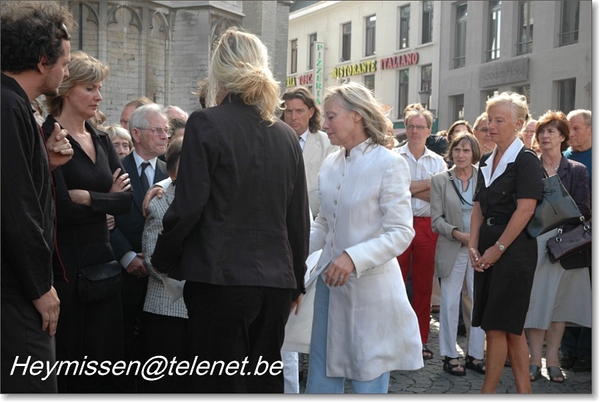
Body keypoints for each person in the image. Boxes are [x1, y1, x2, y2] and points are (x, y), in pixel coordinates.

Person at [150, 27, 310, 393]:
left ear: (220, 68)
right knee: (261, 386)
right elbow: (297, 218)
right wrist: (296, 280)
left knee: (218, 386)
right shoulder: (285, 134)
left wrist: (163, 259)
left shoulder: (206, 122)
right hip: (274, 283)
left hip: (219, 279)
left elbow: (188, 206)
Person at [305, 81, 422, 394]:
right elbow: (324, 224)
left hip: (372, 293)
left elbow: (401, 232)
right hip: (329, 288)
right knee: (321, 376)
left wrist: (353, 258)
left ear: (357, 116)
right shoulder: (330, 164)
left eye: (331, 116)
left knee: (367, 378)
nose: (324, 124)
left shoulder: (390, 164)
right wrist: (293, 255)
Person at [42, 51, 134, 392]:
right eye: (90, 88)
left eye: (99, 87)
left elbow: (126, 201)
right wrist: (104, 200)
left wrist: (91, 197)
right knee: (74, 365)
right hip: (67, 269)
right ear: (67, 89)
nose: (99, 96)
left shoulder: (101, 138)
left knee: (107, 363)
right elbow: (61, 207)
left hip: (104, 265)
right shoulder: (49, 136)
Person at [1, 1, 75, 393]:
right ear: (43, 60)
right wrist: (39, 288)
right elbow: (15, 209)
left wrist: (42, 162)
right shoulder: (8, 106)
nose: (66, 70)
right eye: (64, 61)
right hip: (15, 293)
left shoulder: (12, 104)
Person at [468, 91, 543, 393]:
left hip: (513, 252)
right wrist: (473, 246)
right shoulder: (487, 159)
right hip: (488, 249)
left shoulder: (526, 160)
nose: (491, 125)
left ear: (519, 124)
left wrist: (496, 250)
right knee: (498, 326)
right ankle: (514, 392)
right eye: (489, 119)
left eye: (499, 120)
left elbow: (525, 210)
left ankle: (494, 392)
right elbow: (478, 208)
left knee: (505, 326)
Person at [523, 110, 591, 384]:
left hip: (566, 245)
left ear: (563, 137)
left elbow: (585, 209)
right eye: (542, 131)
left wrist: (555, 209)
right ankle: (533, 360)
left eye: (551, 131)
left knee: (559, 307)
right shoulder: (528, 166)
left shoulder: (576, 170)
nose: (545, 136)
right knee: (537, 304)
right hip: (535, 244)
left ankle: (553, 360)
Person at [109, 103, 169, 392]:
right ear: (136, 133)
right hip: (124, 276)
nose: (164, 136)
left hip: (161, 280)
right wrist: (127, 255)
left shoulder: (172, 173)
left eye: (166, 131)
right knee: (122, 351)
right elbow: (107, 218)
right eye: (157, 130)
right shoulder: (116, 169)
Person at [431, 133, 486, 377]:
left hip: (478, 249)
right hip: (453, 247)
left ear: (474, 153)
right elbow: (436, 221)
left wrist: (474, 239)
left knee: (478, 302)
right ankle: (449, 355)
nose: (460, 155)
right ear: (451, 152)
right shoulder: (440, 180)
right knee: (450, 303)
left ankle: (476, 354)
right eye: (457, 150)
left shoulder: (484, 178)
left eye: (466, 150)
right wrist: (458, 235)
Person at [395, 103, 447, 361]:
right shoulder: (394, 157)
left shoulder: (438, 161)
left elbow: (440, 197)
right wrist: (426, 186)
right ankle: (394, 341)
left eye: (420, 127)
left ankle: (420, 339)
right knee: (395, 284)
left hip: (428, 225)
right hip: (399, 223)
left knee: (424, 286)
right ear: (405, 129)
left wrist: (408, 188)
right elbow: (393, 193)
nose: (415, 131)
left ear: (429, 131)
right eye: (410, 126)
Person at [139, 137, 189, 393]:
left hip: (198, 309)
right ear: (173, 170)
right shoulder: (159, 202)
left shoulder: (209, 200)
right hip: (166, 306)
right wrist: (188, 285)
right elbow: (151, 258)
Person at [560, 109, 592, 373]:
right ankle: (568, 349)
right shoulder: (564, 159)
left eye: (577, 128)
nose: (571, 133)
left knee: (590, 296)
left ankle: (586, 352)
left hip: (592, 237)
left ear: (591, 129)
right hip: (567, 238)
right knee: (568, 293)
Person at [281, 86, 338, 218]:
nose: (293, 117)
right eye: (288, 111)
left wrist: (299, 210)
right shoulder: (273, 142)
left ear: (311, 112)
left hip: (314, 218)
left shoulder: (328, 144)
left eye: (299, 111)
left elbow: (329, 187)